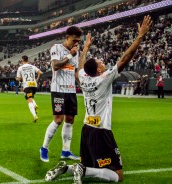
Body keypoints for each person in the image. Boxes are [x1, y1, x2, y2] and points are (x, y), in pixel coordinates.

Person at [45, 15, 152, 184]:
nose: (103, 63)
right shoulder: (104, 78)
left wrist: (85, 48)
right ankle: (82, 169)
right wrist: (140, 36)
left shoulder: (84, 78)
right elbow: (125, 58)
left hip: (87, 130)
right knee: (117, 175)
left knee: (89, 164)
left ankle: (67, 168)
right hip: (101, 131)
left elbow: (80, 67)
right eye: (101, 62)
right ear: (99, 70)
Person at [40, 26, 83, 162]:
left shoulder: (76, 51)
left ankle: (66, 151)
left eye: (78, 41)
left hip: (71, 90)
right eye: (74, 40)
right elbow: (55, 66)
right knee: (58, 120)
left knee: (70, 120)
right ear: (67, 37)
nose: (76, 43)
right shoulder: (56, 48)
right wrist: (70, 55)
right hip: (58, 89)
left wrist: (83, 84)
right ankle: (44, 148)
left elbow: (75, 72)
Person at [16, 55, 42, 122]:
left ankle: (35, 116)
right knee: (30, 97)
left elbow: (18, 79)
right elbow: (40, 72)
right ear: (28, 60)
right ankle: (35, 105)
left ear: (22, 60)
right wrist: (37, 79)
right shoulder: (33, 66)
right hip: (34, 85)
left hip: (27, 85)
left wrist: (17, 78)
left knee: (29, 101)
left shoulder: (20, 68)